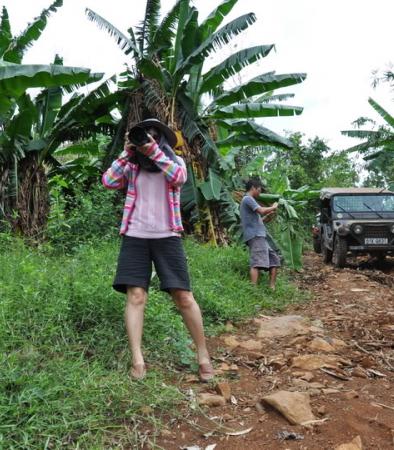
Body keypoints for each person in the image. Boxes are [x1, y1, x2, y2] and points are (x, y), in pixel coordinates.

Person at [102, 118, 213, 380]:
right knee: (136, 296)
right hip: (135, 236)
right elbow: (108, 181)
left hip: (167, 236)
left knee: (183, 296)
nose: (148, 139)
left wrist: (153, 152)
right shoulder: (131, 165)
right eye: (144, 135)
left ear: (161, 139)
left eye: (153, 135)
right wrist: (128, 152)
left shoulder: (175, 162)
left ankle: (203, 355)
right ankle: (138, 360)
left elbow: (179, 179)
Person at [240, 179, 281, 290]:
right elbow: (262, 210)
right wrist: (274, 206)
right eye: (259, 190)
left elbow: (259, 221)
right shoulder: (248, 199)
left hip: (259, 235)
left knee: (274, 260)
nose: (259, 193)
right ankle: (254, 289)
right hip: (255, 236)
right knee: (256, 263)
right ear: (253, 188)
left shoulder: (249, 201)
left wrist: (269, 215)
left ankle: (272, 287)